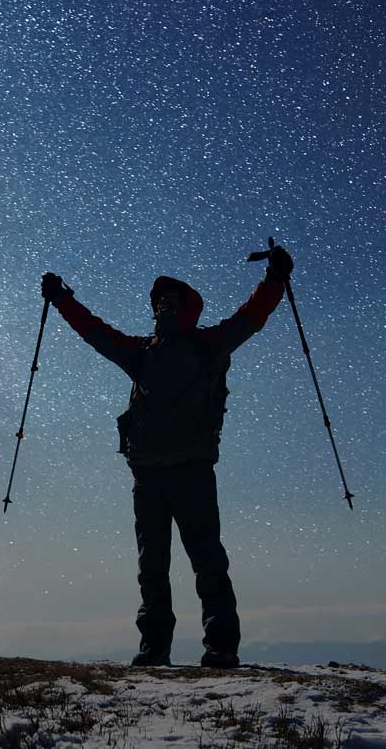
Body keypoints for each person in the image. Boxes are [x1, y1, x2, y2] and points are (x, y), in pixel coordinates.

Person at [40, 246, 293, 669]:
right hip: (162, 473)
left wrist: (274, 280)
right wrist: (64, 300)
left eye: (172, 301)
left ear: (188, 309)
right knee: (172, 564)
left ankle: (187, 648)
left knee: (187, 562)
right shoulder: (162, 349)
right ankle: (190, 648)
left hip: (176, 472)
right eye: (160, 301)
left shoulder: (194, 345)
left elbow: (251, 316)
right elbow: (95, 332)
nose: (164, 305)